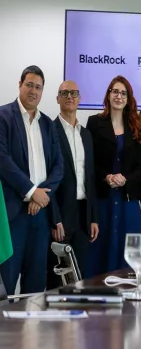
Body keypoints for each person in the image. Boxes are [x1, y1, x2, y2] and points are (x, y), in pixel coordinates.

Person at [0, 65, 63, 295]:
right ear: (20, 84)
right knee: (6, 283)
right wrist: (30, 191)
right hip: (12, 216)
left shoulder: (47, 123)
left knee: (36, 285)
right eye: (29, 85)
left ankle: (32, 321)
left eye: (38, 87)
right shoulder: (3, 116)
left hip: (41, 216)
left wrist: (41, 195)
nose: (33, 91)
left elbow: (58, 167)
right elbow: (3, 160)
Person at [86, 76, 141, 276]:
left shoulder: (136, 125)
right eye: (115, 92)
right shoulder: (94, 122)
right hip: (103, 200)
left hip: (128, 201)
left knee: (129, 256)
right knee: (100, 252)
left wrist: (125, 179)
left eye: (123, 93)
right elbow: (89, 162)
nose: (119, 96)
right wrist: (107, 177)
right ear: (108, 95)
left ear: (129, 98)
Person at [47, 80, 99, 287]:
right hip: (60, 215)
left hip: (83, 215)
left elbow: (91, 177)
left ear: (80, 99)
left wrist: (93, 217)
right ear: (57, 99)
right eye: (65, 93)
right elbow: (46, 178)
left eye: (74, 93)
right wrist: (54, 219)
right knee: (57, 279)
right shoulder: (49, 131)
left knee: (80, 276)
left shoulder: (86, 134)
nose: (70, 97)